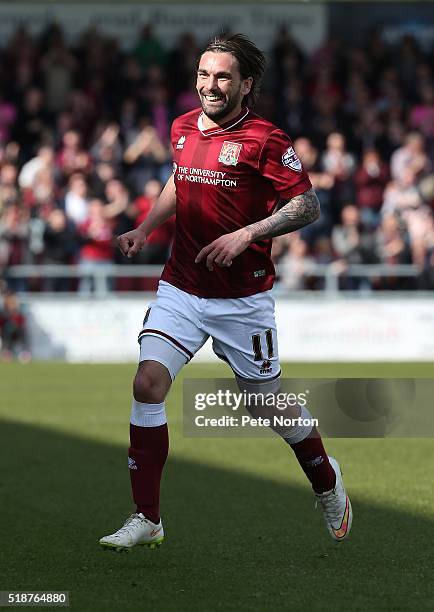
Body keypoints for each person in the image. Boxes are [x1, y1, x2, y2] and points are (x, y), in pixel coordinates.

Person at [99, 34, 353, 551]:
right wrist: (146, 228)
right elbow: (179, 180)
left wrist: (249, 233)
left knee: (268, 407)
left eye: (221, 77)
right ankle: (147, 517)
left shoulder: (266, 139)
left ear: (244, 84)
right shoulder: (181, 128)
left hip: (243, 300)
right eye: (203, 75)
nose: (209, 86)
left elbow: (307, 206)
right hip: (183, 285)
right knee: (148, 384)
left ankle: (327, 481)